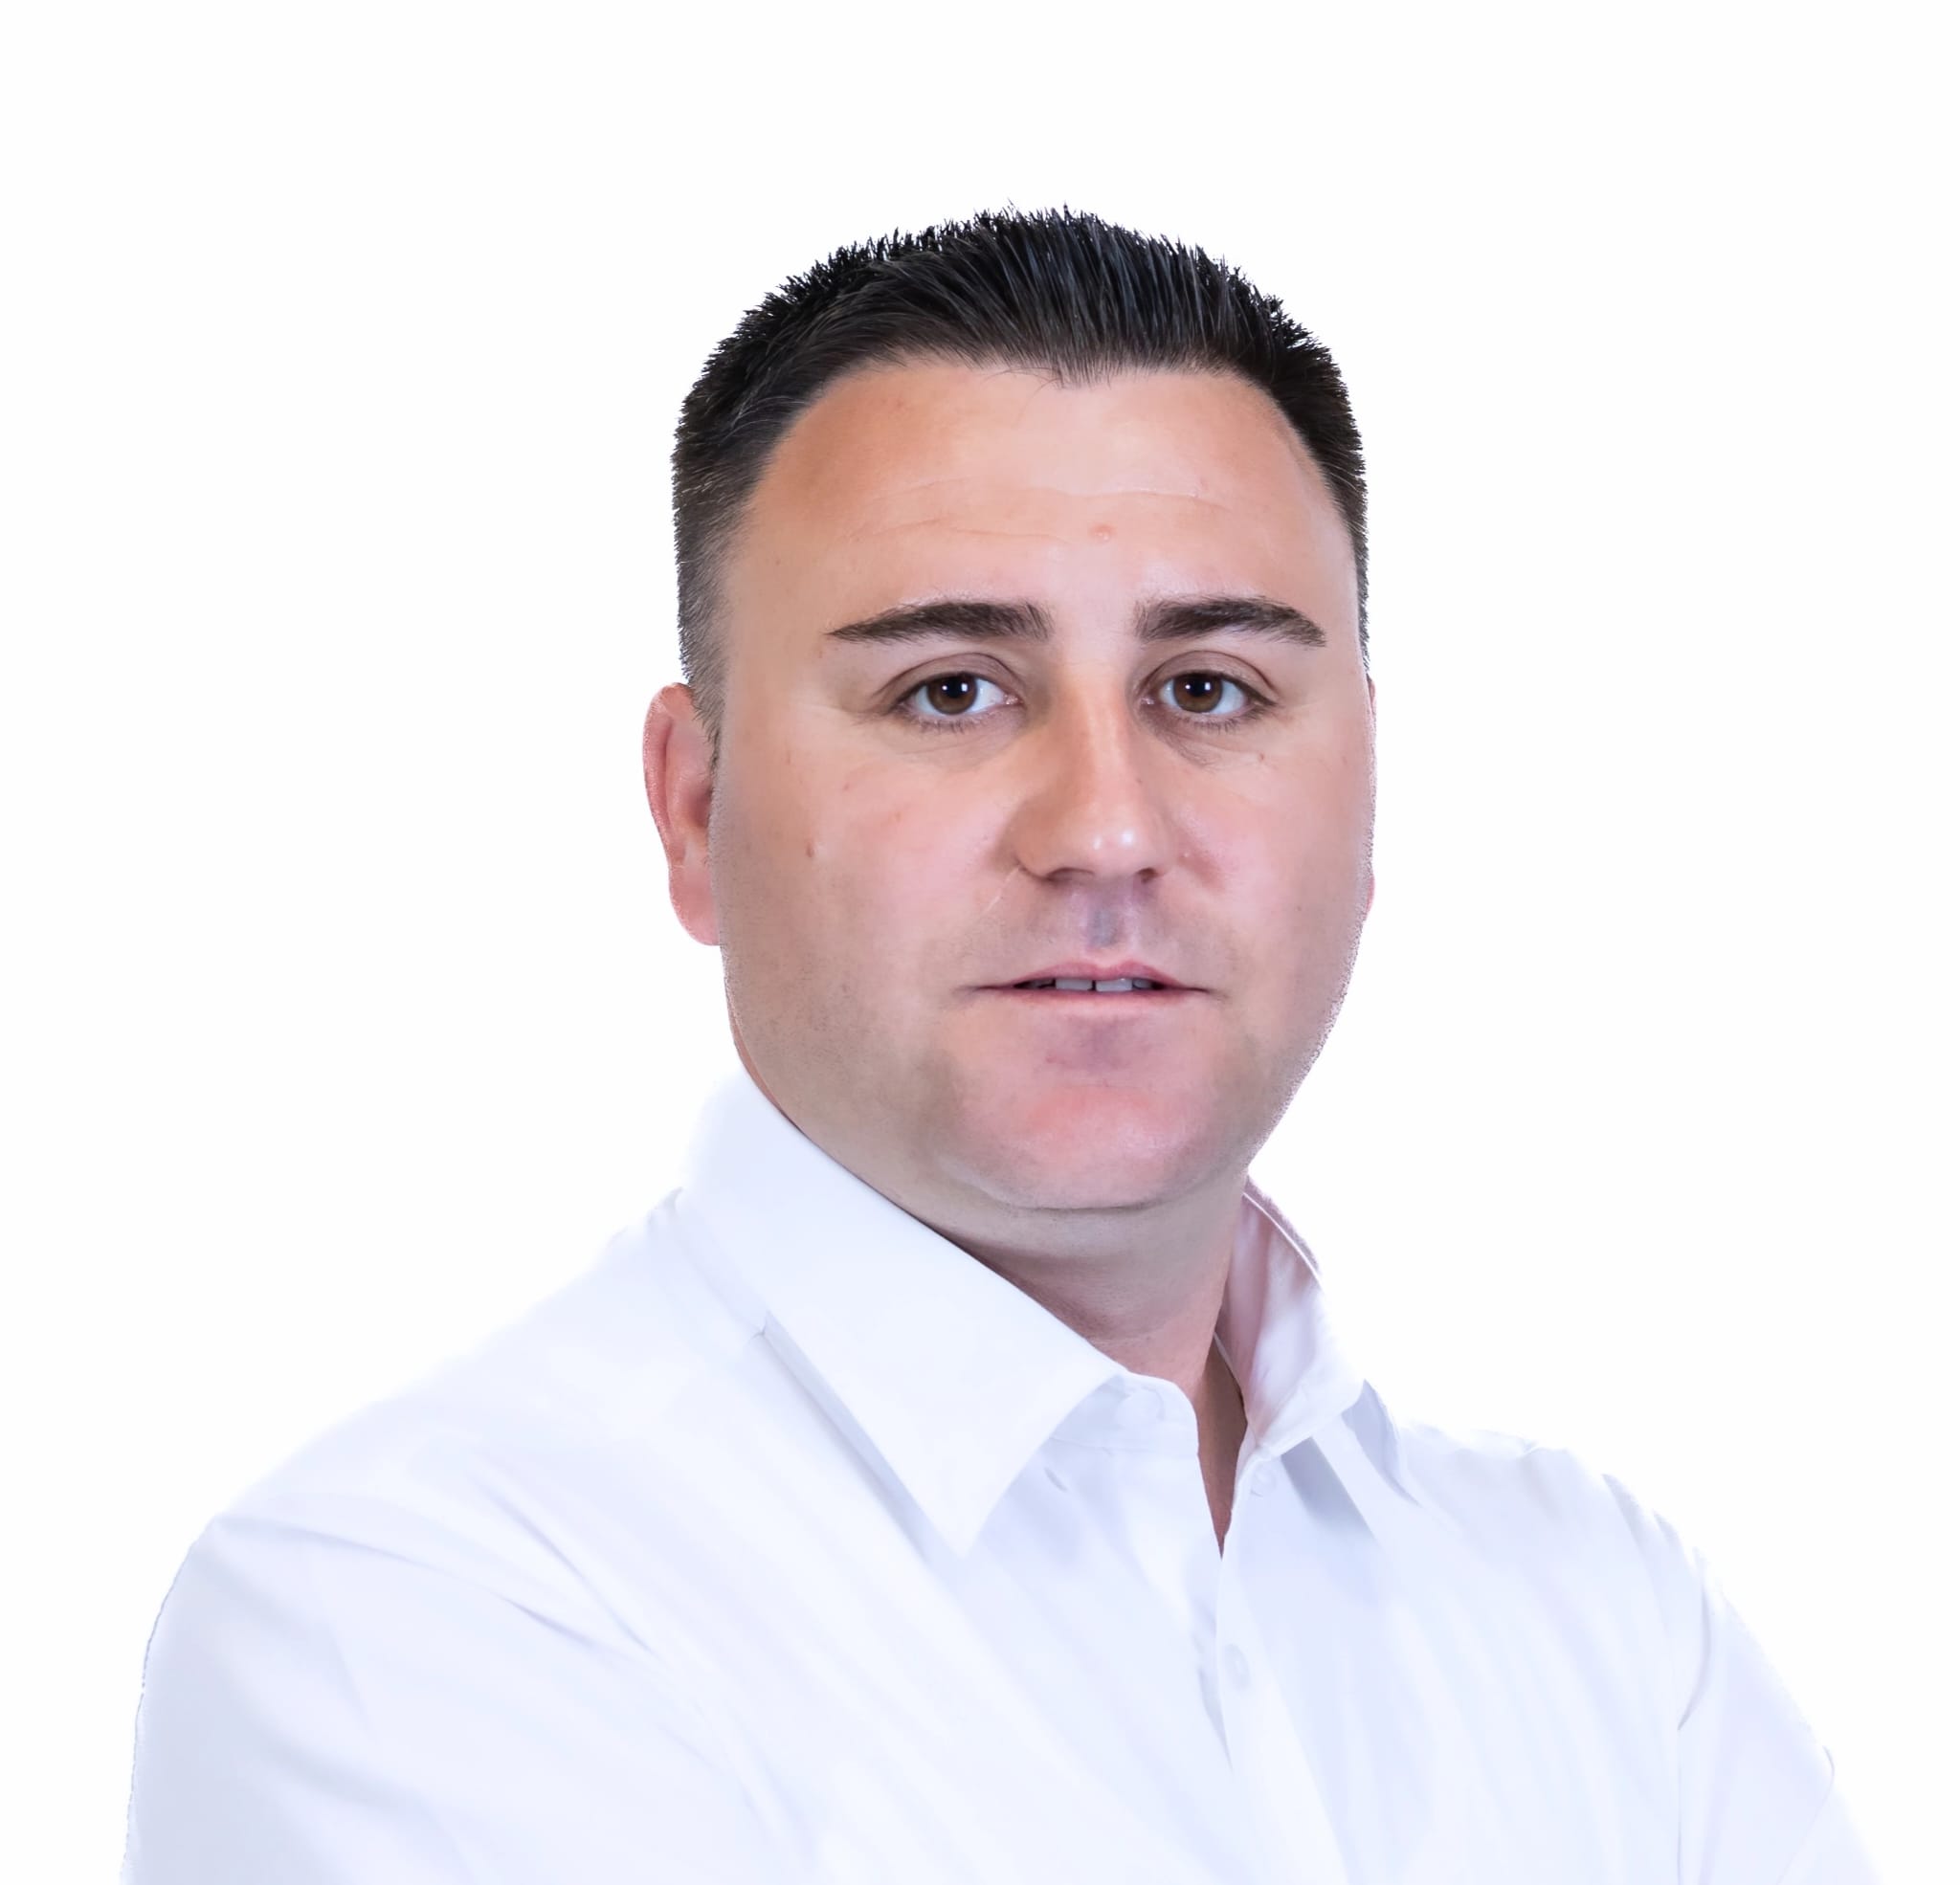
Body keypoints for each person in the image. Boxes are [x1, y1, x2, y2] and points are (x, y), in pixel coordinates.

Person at [120, 210, 1879, 1883]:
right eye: (951, 690)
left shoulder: (1613, 1624)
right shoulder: (415, 1614)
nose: (1106, 828)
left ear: (1369, 782)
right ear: (695, 805)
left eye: (1209, 689)